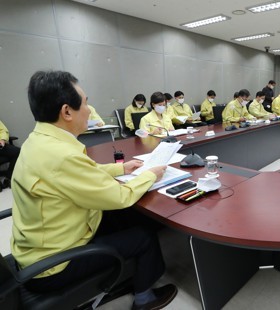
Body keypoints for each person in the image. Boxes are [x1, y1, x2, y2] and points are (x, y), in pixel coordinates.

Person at [11, 70, 177, 309]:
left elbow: (82, 173)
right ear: (67, 111)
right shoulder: (61, 155)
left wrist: (121, 169)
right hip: (53, 265)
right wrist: (150, 175)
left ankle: (130, 273)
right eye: (86, 103)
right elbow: (122, 196)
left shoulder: (40, 141)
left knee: (122, 217)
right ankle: (144, 298)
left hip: (38, 246)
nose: (89, 110)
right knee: (143, 235)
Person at [0, 120, 20, 189]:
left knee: (17, 152)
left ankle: (8, 177)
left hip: (1, 146)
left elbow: (3, 130)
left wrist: (2, 139)